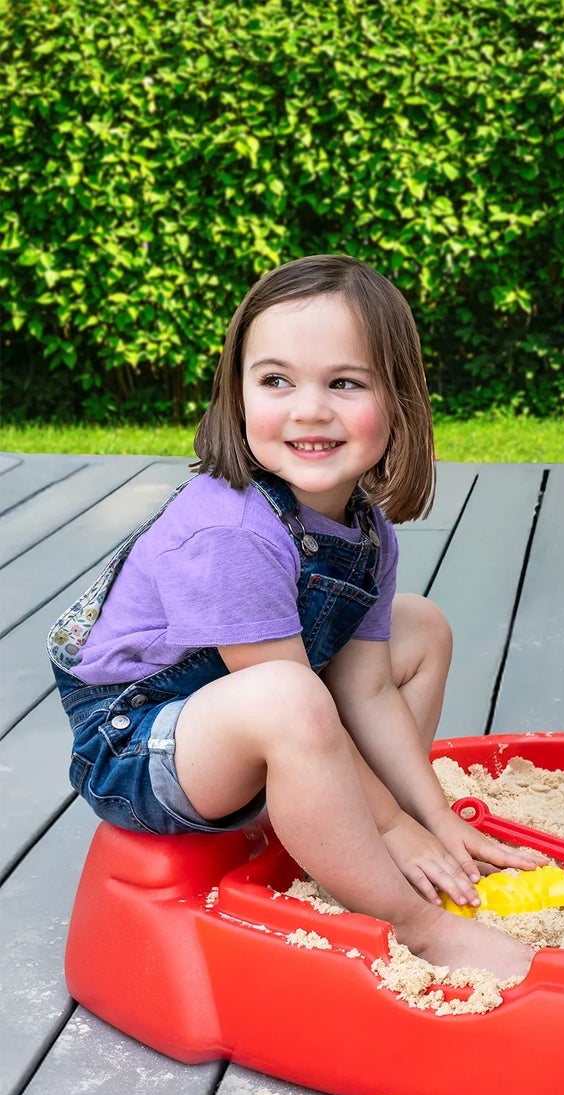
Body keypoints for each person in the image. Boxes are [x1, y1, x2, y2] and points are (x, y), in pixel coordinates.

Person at [50, 254, 537, 979]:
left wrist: (433, 817)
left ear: (398, 401)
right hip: (139, 743)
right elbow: (286, 694)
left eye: (344, 382)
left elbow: (367, 688)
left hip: (253, 709)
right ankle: (414, 923)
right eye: (276, 381)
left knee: (419, 627)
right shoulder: (229, 532)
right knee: (291, 696)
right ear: (237, 395)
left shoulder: (367, 529)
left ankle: (336, 814)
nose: (309, 409)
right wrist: (391, 827)